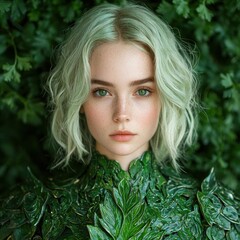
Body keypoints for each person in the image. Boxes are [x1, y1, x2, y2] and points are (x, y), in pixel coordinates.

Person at [0, 3, 239, 240]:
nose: (121, 114)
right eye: (102, 92)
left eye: (142, 91)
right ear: (80, 98)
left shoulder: (217, 219)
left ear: (165, 96)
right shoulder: (26, 216)